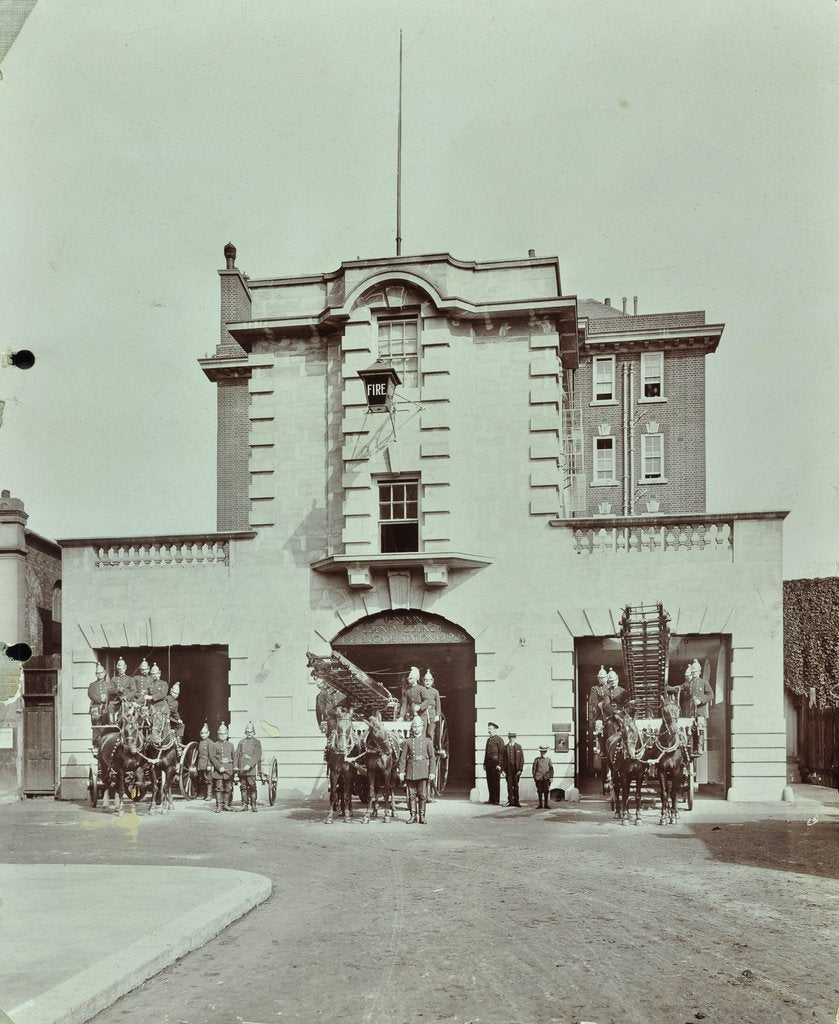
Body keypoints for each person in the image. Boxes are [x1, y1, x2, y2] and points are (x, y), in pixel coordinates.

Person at [397, 715, 436, 825]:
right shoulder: (408, 742)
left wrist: (432, 772)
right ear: (412, 728)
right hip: (411, 771)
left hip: (423, 771)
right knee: (411, 795)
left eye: (418, 726)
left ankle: (422, 816)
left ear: (422, 727)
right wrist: (401, 771)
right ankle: (413, 816)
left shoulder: (427, 741)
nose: (416, 728)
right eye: (414, 726)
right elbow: (403, 757)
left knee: (422, 795)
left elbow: (432, 758)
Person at [235, 721, 263, 813]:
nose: (249, 733)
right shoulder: (241, 742)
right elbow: (236, 755)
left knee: (252, 786)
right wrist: (235, 766)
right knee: (243, 787)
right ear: (245, 732)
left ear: (254, 732)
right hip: (242, 768)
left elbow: (257, 755)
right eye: (247, 732)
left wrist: (249, 765)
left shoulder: (257, 742)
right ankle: (244, 805)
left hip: (251, 769)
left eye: (251, 732)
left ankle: (254, 805)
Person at [209, 722, 236, 812]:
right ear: (218, 734)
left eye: (224, 734)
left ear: (227, 734)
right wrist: (219, 767)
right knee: (219, 787)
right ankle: (219, 805)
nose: (223, 736)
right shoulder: (214, 745)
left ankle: (226, 804)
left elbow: (234, 757)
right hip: (218, 771)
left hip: (229, 770)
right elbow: (212, 758)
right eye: (221, 734)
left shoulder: (231, 745)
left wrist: (235, 768)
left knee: (228, 788)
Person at [483, 721, 505, 804]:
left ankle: (496, 800)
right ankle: (491, 799)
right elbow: (486, 753)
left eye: (491, 729)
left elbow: (501, 754)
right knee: (489, 782)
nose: (489, 730)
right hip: (489, 764)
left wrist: (500, 764)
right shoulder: (488, 740)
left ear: (495, 730)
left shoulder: (499, 740)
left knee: (496, 782)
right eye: (488, 729)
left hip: (496, 765)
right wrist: (484, 764)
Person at [501, 731, 524, 807]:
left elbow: (521, 759)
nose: (512, 739)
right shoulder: (505, 747)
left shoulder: (518, 747)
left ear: (515, 738)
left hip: (516, 769)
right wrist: (503, 770)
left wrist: (520, 770)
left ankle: (517, 801)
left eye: (513, 737)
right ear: (508, 738)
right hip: (508, 770)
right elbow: (503, 760)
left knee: (516, 785)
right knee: (509, 785)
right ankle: (510, 801)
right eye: (510, 737)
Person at [422, 670, 441, 747]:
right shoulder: (422, 690)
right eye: (426, 680)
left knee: (430, 733)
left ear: (432, 681)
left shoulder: (435, 691)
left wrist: (437, 715)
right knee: (422, 732)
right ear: (423, 681)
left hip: (432, 714)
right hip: (423, 714)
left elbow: (438, 705)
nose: (427, 682)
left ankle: (431, 750)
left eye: (429, 680)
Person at [532, 744, 555, 808]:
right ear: (540, 752)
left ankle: (546, 804)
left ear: (546, 752)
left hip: (546, 778)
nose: (543, 753)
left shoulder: (548, 759)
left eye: (544, 752)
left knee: (546, 791)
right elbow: (534, 769)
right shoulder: (537, 759)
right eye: (542, 752)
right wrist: (535, 777)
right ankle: (540, 804)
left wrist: (551, 777)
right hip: (538, 778)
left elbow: (551, 769)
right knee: (539, 791)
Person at [196, 722, 212, 800]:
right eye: (201, 733)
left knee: (208, 780)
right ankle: (202, 795)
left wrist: (209, 765)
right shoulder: (200, 742)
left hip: (206, 764)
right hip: (200, 764)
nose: (202, 735)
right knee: (201, 779)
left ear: (208, 733)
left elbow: (211, 755)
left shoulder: (210, 743)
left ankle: (209, 795)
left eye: (204, 733)